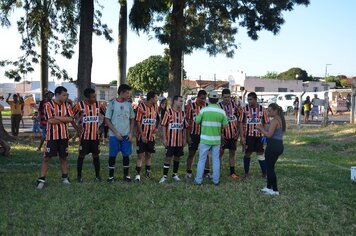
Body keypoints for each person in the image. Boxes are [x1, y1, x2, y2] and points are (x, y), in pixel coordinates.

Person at [35, 86, 74, 189]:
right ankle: (41, 179)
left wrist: (56, 117)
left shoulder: (67, 105)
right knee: (47, 158)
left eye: (67, 95)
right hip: (52, 136)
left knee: (63, 157)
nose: (66, 97)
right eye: (64, 95)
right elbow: (50, 121)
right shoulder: (48, 105)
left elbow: (70, 119)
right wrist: (63, 119)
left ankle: (65, 178)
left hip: (64, 136)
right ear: (57, 95)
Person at [194, 91, 228, 186]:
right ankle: (216, 180)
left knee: (202, 159)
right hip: (216, 139)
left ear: (208, 99)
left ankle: (198, 180)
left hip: (205, 139)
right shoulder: (221, 111)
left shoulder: (203, 110)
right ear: (217, 100)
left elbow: (197, 121)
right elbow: (225, 125)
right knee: (216, 160)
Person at [72, 88, 105, 183]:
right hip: (84, 137)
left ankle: (98, 176)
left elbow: (107, 116)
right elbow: (70, 117)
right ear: (87, 97)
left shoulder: (99, 105)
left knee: (96, 156)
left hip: (95, 137)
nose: (95, 98)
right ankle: (79, 176)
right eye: (93, 97)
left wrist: (102, 127)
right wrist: (77, 128)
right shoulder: (79, 105)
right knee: (81, 156)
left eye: (95, 96)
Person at [105, 84, 135, 183]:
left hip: (126, 135)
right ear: (121, 92)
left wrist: (131, 133)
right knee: (112, 156)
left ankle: (126, 176)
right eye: (127, 93)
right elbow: (107, 120)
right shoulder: (112, 104)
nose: (128, 95)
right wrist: (116, 132)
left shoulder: (129, 104)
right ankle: (110, 177)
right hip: (114, 135)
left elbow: (132, 119)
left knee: (126, 155)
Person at [239, 92, 269, 179]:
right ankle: (246, 173)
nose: (249, 101)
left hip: (259, 136)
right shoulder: (245, 109)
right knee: (247, 153)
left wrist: (265, 135)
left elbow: (266, 123)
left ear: (255, 99)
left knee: (260, 153)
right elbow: (240, 122)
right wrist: (242, 137)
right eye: (248, 99)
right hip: (249, 136)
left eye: (250, 99)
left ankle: (265, 173)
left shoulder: (262, 109)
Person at [159, 95, 189, 183]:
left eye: (182, 101)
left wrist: (185, 139)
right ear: (175, 101)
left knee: (177, 157)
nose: (182, 102)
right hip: (170, 141)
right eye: (180, 101)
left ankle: (175, 174)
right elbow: (164, 126)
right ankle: (164, 176)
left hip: (179, 141)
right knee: (168, 157)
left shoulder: (183, 113)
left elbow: (185, 127)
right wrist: (164, 139)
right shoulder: (168, 112)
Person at [257, 103, 285, 196]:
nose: (268, 112)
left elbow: (269, 134)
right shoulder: (279, 119)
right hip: (278, 145)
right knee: (270, 167)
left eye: (269, 110)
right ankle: (269, 187)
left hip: (273, 146)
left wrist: (260, 129)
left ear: (275, 111)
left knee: (270, 168)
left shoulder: (274, 121)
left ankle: (275, 190)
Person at [185, 90, 211, 179]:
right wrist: (188, 136)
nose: (203, 100)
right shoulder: (191, 106)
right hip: (194, 134)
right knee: (192, 153)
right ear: (197, 97)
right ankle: (189, 172)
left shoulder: (207, 106)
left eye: (205, 98)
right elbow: (187, 122)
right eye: (202, 98)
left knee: (206, 153)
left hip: (204, 134)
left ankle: (206, 172)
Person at [134, 91, 159, 181]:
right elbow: (138, 122)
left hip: (151, 136)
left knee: (149, 154)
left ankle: (148, 173)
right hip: (142, 136)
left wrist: (156, 127)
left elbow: (158, 119)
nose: (157, 99)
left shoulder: (156, 107)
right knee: (140, 155)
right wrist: (142, 135)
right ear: (151, 98)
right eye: (156, 98)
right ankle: (137, 175)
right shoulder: (141, 106)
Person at [218, 88, 240, 180]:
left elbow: (239, 119)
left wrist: (237, 132)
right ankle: (217, 171)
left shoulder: (235, 105)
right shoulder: (218, 107)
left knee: (232, 153)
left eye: (228, 97)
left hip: (233, 135)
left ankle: (232, 172)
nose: (227, 99)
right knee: (220, 153)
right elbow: (217, 121)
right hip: (222, 135)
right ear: (222, 97)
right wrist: (220, 134)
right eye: (225, 97)